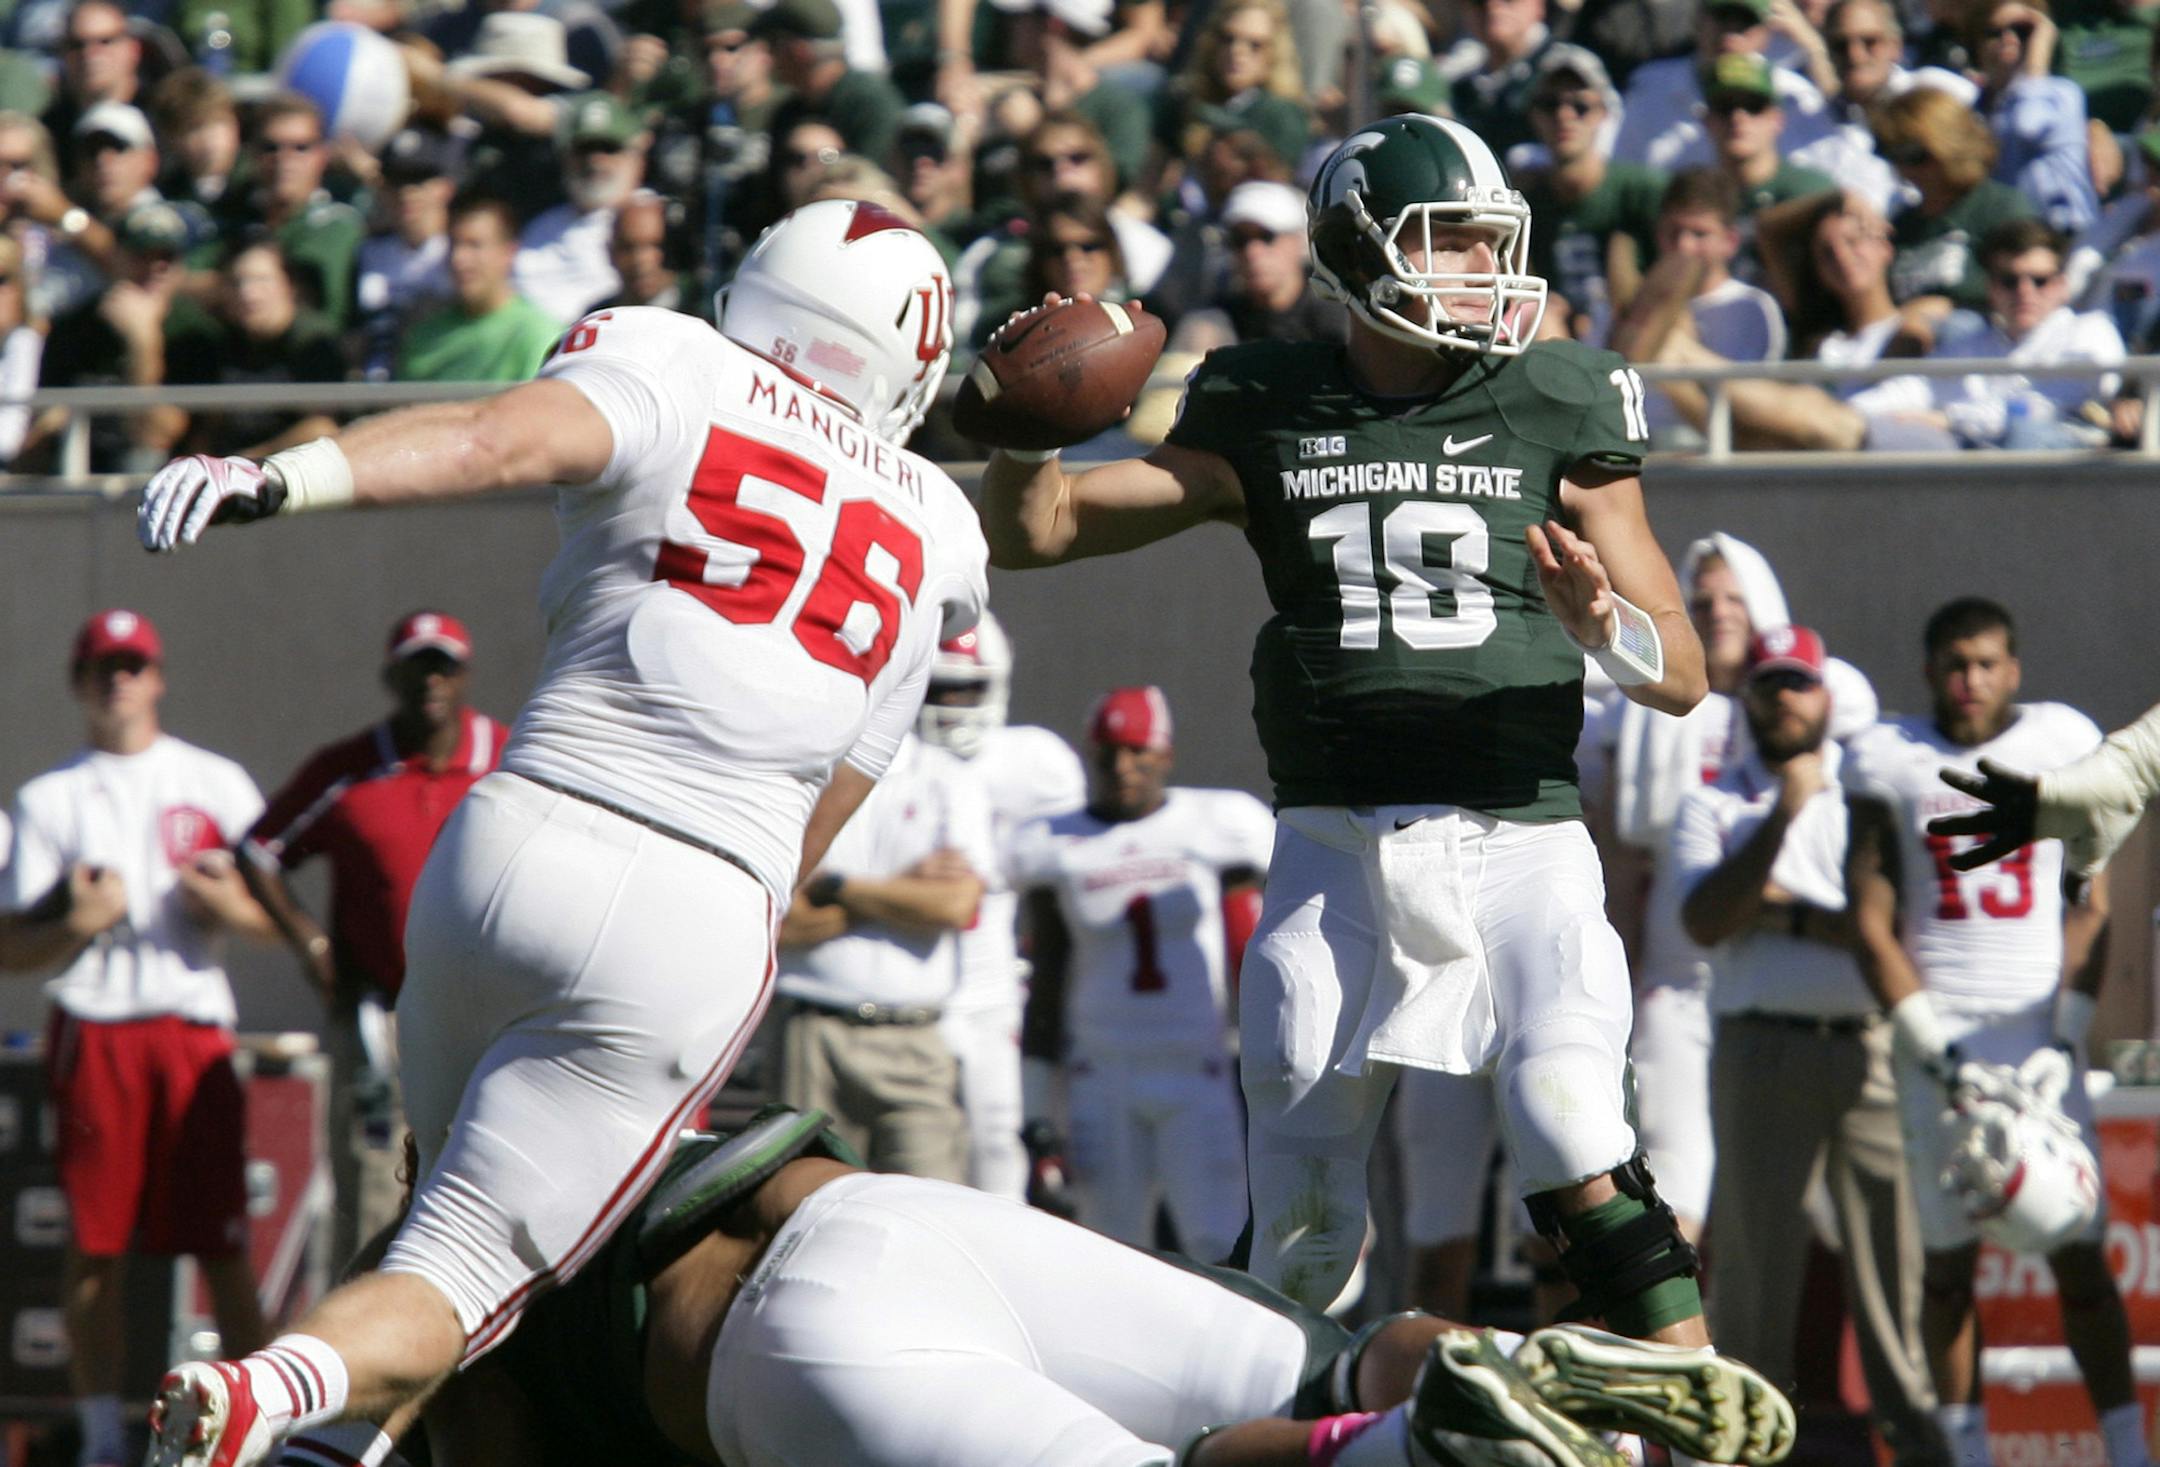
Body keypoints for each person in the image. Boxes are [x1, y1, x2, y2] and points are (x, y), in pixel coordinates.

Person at [135, 196, 987, 1467]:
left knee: (438, 1217)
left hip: (511, 838)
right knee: (467, 1274)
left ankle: (321, 1440)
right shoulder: (935, 526)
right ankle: (269, 1390)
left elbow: (490, 439)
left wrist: (280, 475)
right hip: (693, 905)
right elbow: (824, 813)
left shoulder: (671, 357)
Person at [973, 114, 1742, 1407]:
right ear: (1354, 249)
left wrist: (1600, 621)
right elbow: (1040, 532)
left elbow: (1683, 673)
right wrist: (1028, 429)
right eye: (1446, 240)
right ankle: (1257, 1430)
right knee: (1306, 1227)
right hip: (1335, 846)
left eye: (1485, 240)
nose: (1476, 269)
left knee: (1566, 1114)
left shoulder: (1559, 392)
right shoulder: (1264, 398)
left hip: (1520, 838)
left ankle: (1696, 1386)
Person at [290, 1109, 1791, 1467]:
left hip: (777, 1355)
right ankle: (1491, 1364)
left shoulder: (429, 1273)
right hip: (900, 1214)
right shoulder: (608, 1083)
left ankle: (1425, 1440)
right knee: (1321, 1361)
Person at [1843, 598, 2149, 1467]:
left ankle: (2128, 1447)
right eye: (1952, 662)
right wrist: (1928, 1041)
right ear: (1929, 669)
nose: (1968, 680)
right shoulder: (1891, 757)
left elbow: (2091, 898)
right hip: (1934, 1036)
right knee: (1945, 1265)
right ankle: (1966, 1450)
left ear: (2013, 668)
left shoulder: (2058, 739)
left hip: (2036, 1033)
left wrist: (2069, 1029)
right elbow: (1869, 918)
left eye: (1984, 662)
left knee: (2078, 1250)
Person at [0, 610, 275, 1467]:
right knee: (95, 1244)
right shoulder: (51, 799)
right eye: (101, 667)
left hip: (191, 1027)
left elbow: (276, 914)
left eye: (131, 664)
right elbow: (14, 947)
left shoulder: (216, 781)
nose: (117, 679)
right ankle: (102, 1434)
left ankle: (252, 1427)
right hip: (96, 1025)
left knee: (222, 1241)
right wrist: (78, 924)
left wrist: (224, 907)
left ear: (157, 675)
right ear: (80, 683)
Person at [1669, 626, 1943, 1467]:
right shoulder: (1713, 802)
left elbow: (1884, 931)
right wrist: (1781, 819)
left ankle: (1924, 1445)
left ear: (1827, 695)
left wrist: (1779, 909)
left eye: (1799, 683)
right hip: (1760, 1053)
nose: (1783, 698)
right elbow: (1706, 918)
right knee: (1753, 1277)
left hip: (1869, 1053)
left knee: (1897, 1279)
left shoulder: (1870, 798)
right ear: (1746, 698)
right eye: (1768, 684)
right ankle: (1748, 1452)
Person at [239, 612, 505, 1270]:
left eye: (443, 664)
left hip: (488, 1015)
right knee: (374, 1188)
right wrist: (310, 944)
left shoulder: (508, 759)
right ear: (392, 676)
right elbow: (260, 849)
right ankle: (361, 1358)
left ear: (466, 673)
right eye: (416, 666)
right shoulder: (351, 768)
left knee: (487, 1180)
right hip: (380, 1015)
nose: (431, 680)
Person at [1012, 686, 1273, 1264]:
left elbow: (1256, 954)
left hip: (1196, 1070)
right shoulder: (1058, 843)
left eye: (1138, 751)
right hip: (1102, 1076)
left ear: (1167, 755)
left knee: (1218, 1245)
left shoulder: (1217, 825)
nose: (1123, 767)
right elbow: (1046, 990)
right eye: (1109, 753)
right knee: (1111, 1251)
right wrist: (1034, 1113)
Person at [914, 612, 1088, 1201]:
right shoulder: (888, 766)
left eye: (967, 687)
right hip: (913, 991)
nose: (952, 704)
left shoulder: (1034, 764)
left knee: (1000, 1145)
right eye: (938, 688)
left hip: (995, 994)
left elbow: (1068, 892)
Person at [773, 728, 994, 1181]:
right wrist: (903, 890)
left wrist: (836, 888)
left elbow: (956, 905)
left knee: (929, 1215)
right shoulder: (797, 769)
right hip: (812, 1031)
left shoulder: (946, 777)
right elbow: (781, 924)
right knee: (804, 1207)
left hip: (912, 1038)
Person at [1846, 219, 2123, 449]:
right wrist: (1848, 415)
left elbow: (2046, 406)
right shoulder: (1972, 345)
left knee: (2025, 435)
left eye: (2040, 281)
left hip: (2070, 462)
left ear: (2062, 286)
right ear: (1992, 288)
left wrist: (1949, 419)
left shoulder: (2090, 331)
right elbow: (1913, 389)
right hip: (1990, 461)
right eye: (2009, 281)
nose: (2024, 292)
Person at [395, 193, 563, 384]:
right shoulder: (424, 335)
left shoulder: (538, 333)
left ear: (508, 252)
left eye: (474, 245)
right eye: (454, 244)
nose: (459, 259)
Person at [513, 93, 649, 325]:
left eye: (609, 148)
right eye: (584, 149)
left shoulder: (654, 218)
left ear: (636, 157)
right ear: (565, 157)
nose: (595, 161)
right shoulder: (542, 227)